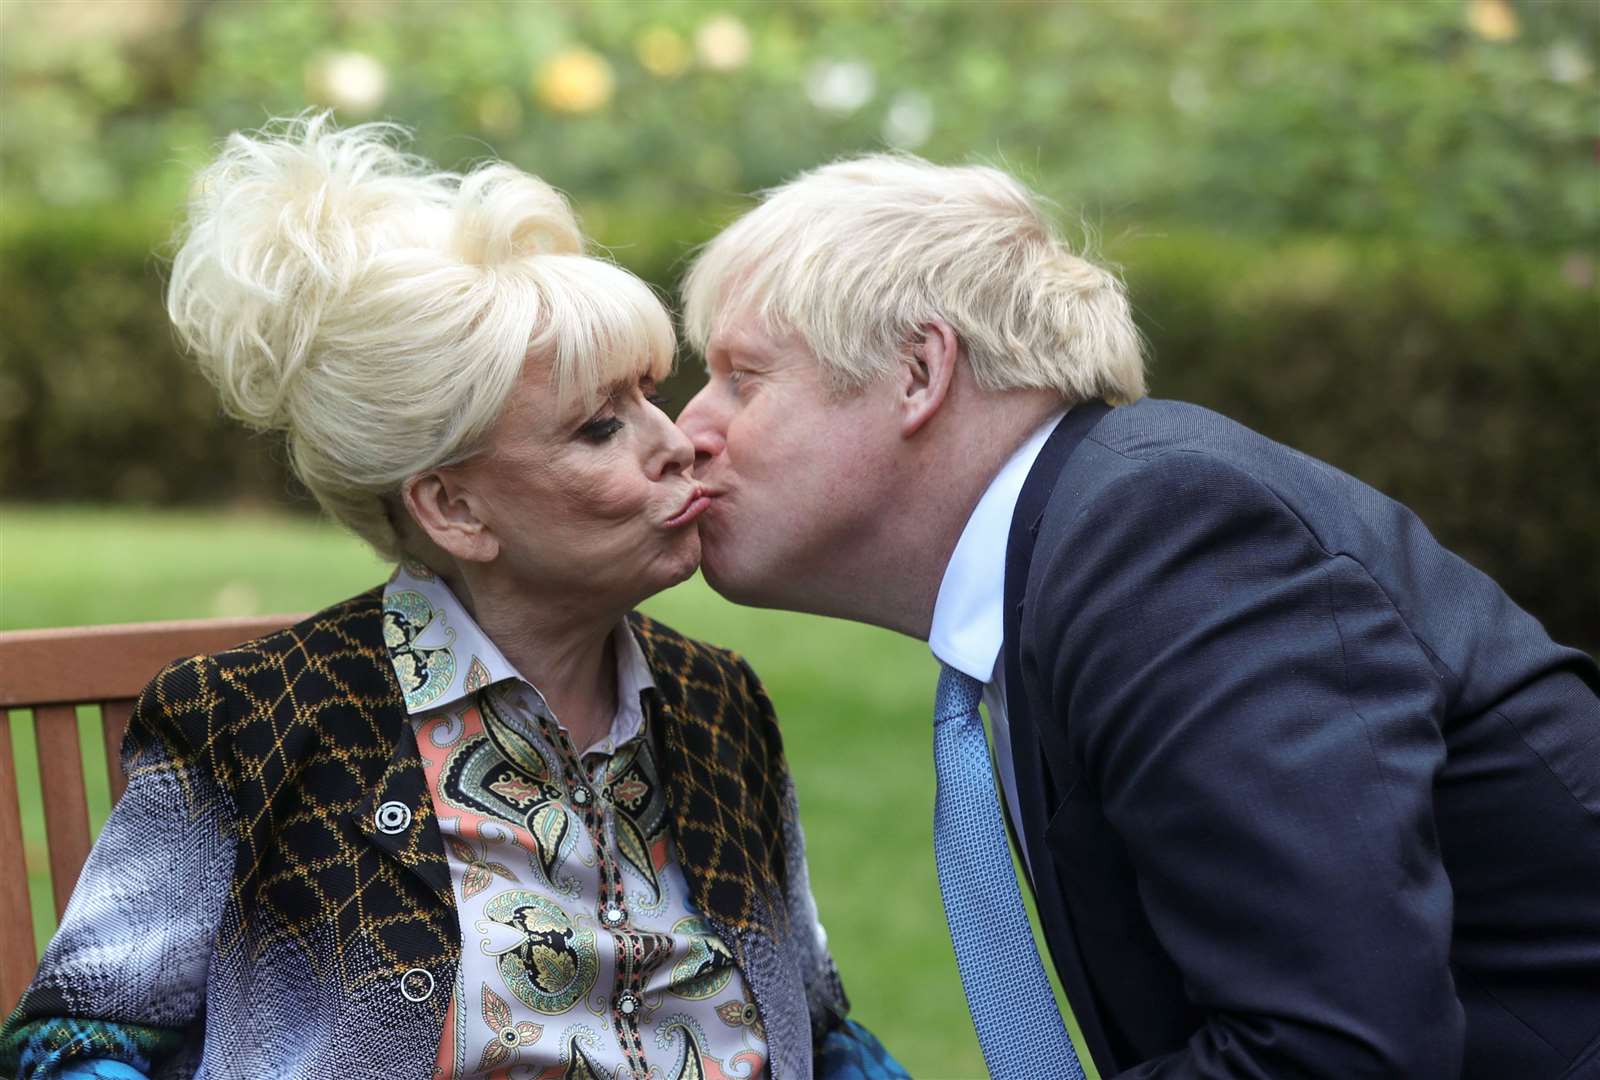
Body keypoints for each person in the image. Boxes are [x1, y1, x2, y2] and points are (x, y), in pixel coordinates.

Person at [0, 116, 905, 1080]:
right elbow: (72, 1048)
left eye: (650, 393)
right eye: (602, 427)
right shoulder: (254, 724)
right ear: (453, 507)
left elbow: (822, 1031)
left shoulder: (718, 705)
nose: (676, 439)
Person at [672, 153, 1600, 1079]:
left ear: (919, 370)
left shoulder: (1160, 538)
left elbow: (1338, 1053)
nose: (688, 432)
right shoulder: (1076, 549)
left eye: (743, 379)